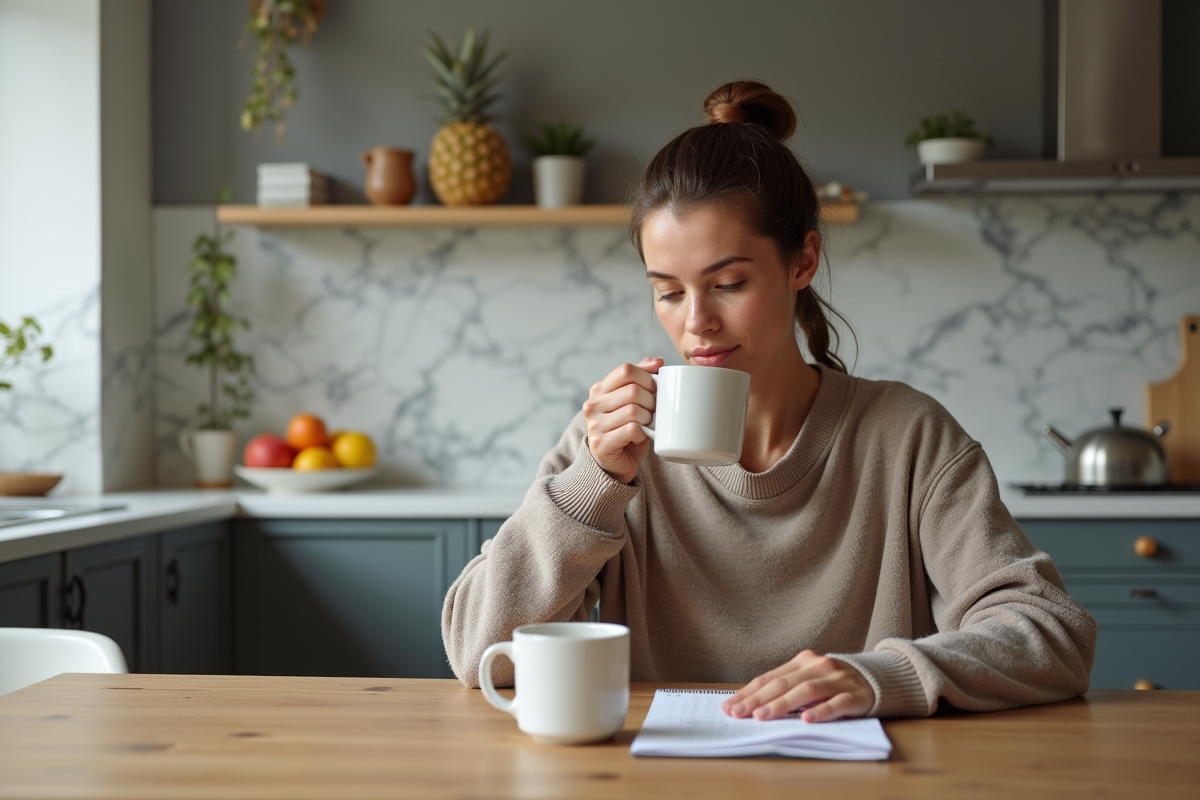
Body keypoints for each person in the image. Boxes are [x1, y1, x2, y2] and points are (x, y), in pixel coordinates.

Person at [442, 80, 1095, 723]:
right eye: (669, 292)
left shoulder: (906, 436)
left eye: (728, 283)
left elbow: (1052, 634)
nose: (696, 322)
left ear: (802, 260)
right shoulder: (612, 447)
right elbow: (479, 655)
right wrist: (595, 482)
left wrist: (880, 677)